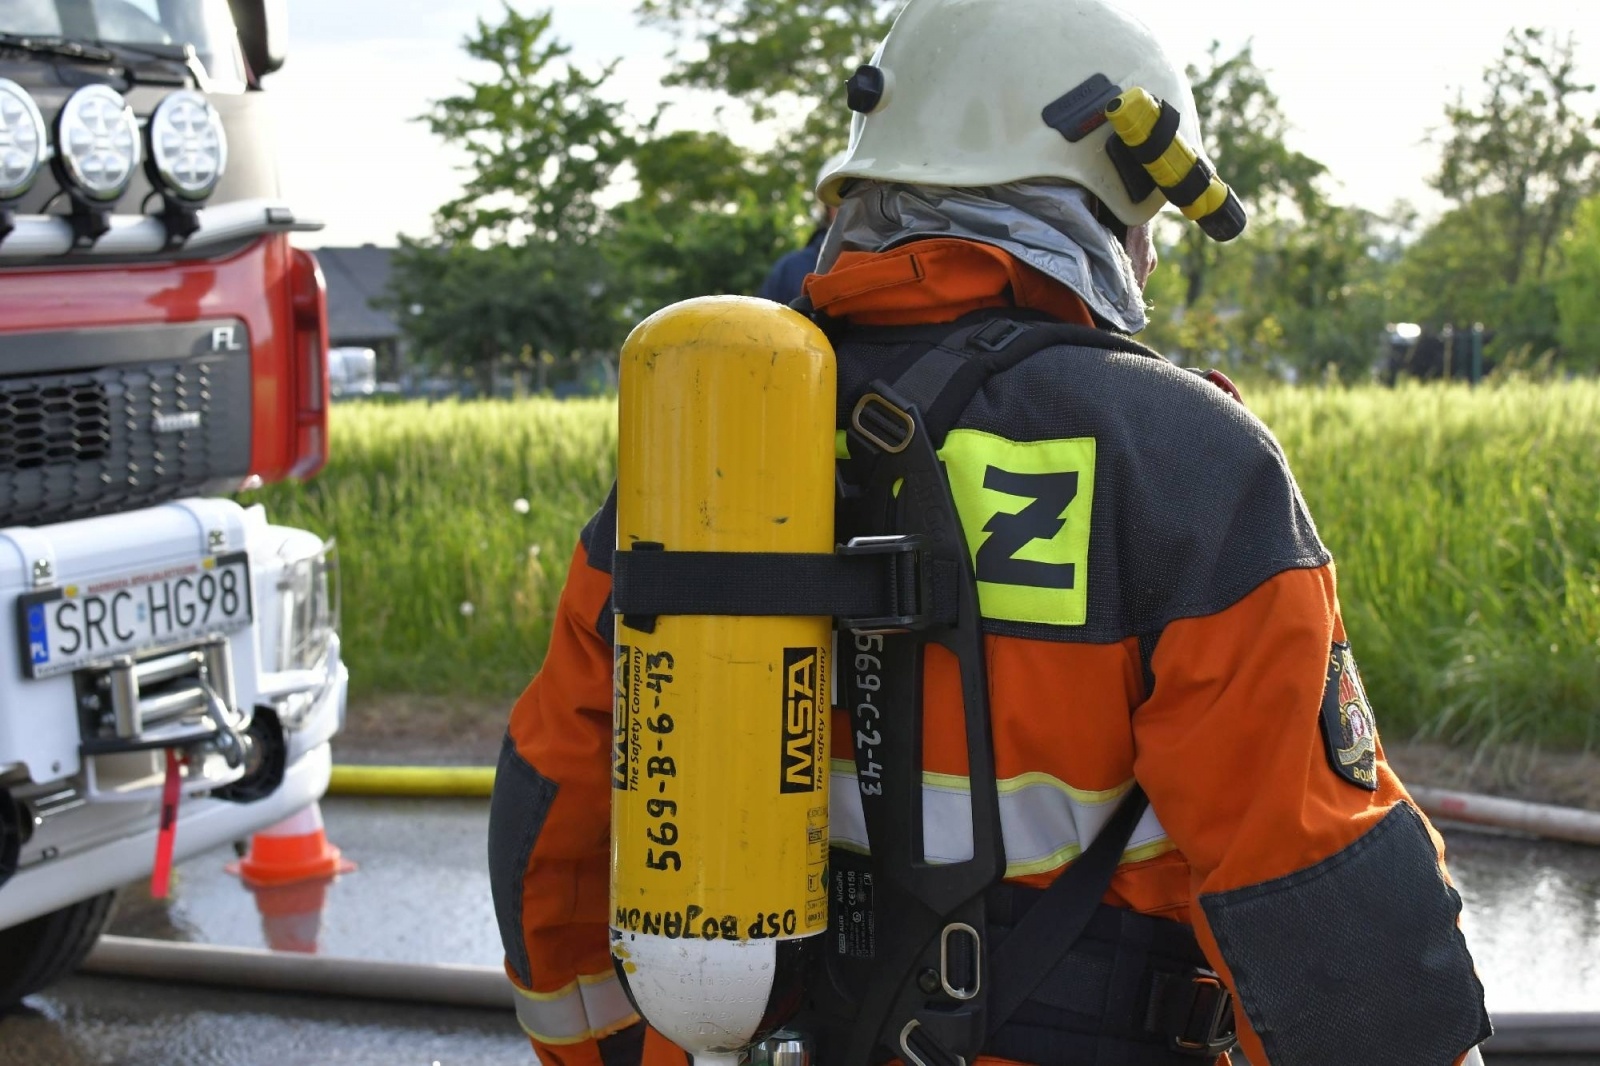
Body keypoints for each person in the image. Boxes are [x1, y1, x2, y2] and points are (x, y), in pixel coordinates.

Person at [488, 2, 1491, 1064]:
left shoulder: (708, 449)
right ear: (1101, 193)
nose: (1149, 259)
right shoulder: (1181, 462)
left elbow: (551, 810)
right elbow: (1320, 907)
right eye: (1146, 217)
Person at [757, 152, 848, 306]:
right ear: (825, 208)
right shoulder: (790, 270)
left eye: (868, 197)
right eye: (843, 196)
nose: (856, 208)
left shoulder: (894, 263)